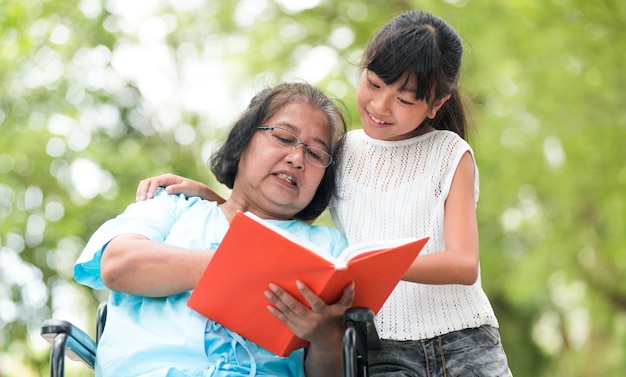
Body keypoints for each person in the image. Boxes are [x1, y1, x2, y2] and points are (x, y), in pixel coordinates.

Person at [135, 11, 513, 376]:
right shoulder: (342, 151)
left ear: (436, 105)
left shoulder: (449, 152)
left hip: (464, 340)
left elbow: (464, 265)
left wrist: (367, 263)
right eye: (375, 84)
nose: (380, 107)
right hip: (377, 346)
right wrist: (213, 198)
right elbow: (282, 231)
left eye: (404, 99)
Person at [74, 82, 356, 377]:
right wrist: (238, 266)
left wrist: (326, 340)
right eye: (284, 138)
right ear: (243, 141)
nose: (297, 159)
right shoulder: (173, 204)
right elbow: (119, 266)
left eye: (315, 154)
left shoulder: (328, 248)